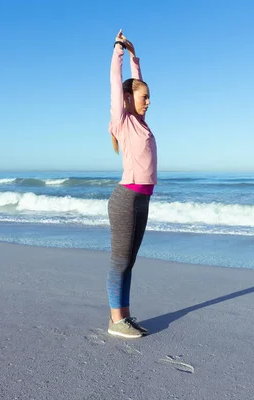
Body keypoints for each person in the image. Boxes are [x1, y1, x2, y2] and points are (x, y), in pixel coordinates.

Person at [106, 30, 157, 339]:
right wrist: (118, 51)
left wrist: (136, 58)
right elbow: (117, 82)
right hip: (126, 198)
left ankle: (123, 316)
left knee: (130, 261)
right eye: (144, 97)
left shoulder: (142, 123)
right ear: (127, 100)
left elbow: (136, 85)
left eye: (150, 97)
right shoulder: (123, 120)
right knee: (120, 261)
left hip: (143, 200)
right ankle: (115, 320)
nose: (149, 102)